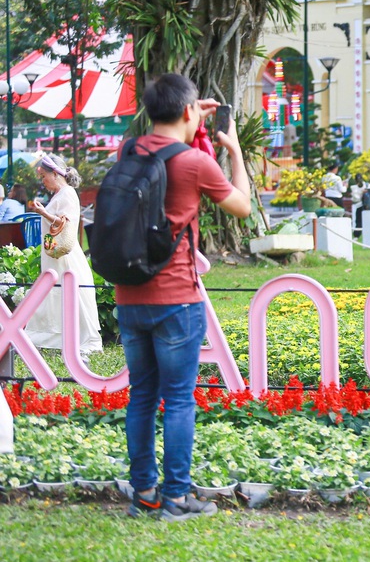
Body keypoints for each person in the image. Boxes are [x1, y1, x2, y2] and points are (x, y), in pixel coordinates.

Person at [115, 74, 251, 522]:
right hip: (177, 299)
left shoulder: (128, 151)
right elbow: (242, 206)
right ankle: (175, 498)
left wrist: (190, 117)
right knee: (177, 399)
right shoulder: (195, 162)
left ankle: (145, 496)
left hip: (129, 296)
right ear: (191, 112)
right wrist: (232, 149)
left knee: (141, 397)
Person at [24, 154, 102, 356]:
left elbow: (64, 223)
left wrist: (43, 213)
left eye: (44, 177)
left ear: (55, 173)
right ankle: (54, 338)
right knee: (56, 293)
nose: (43, 181)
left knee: (67, 292)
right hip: (55, 254)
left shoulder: (67, 194)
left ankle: (79, 339)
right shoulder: (60, 194)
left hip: (65, 255)